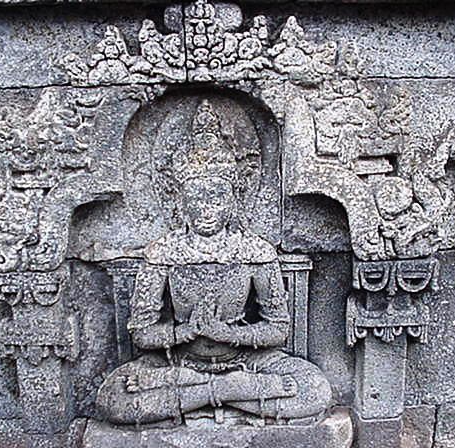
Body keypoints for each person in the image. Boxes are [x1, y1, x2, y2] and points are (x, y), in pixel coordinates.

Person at [95, 100, 332, 426]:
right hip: (179, 361)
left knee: (315, 390)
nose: (206, 208)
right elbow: (141, 333)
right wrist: (185, 332)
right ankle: (230, 392)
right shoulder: (163, 252)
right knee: (112, 399)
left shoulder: (255, 251)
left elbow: (278, 328)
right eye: (196, 198)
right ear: (180, 201)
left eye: (217, 197)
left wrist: (228, 334)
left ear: (234, 199)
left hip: (246, 359)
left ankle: (202, 394)